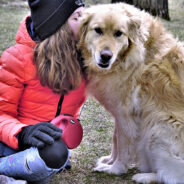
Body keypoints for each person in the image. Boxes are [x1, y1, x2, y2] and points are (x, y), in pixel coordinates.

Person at [0, 0, 86, 183]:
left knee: (57, 154)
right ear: (57, 25)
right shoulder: (18, 58)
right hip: (12, 140)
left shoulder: (87, 59)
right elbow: (1, 114)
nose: (88, 21)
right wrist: (22, 133)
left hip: (49, 145)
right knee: (52, 159)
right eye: (78, 17)